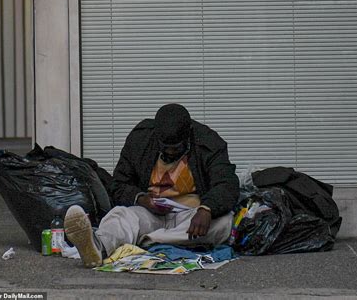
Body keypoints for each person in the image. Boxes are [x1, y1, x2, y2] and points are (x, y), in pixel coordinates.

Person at [64, 103, 240, 267]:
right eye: (165, 148)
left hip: (191, 217)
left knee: (224, 223)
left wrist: (207, 209)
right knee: (120, 215)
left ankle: (145, 240)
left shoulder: (208, 142)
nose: (170, 152)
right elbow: (119, 184)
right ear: (156, 136)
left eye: (177, 148)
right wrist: (142, 199)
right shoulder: (140, 139)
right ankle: (98, 246)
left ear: (189, 134)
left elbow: (227, 184)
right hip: (151, 213)